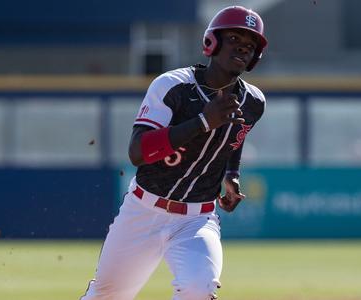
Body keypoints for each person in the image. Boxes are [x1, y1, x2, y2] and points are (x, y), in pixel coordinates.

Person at [81, 6, 268, 300]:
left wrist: (232, 175)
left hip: (197, 219)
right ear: (212, 43)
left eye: (250, 45)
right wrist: (203, 122)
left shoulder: (253, 102)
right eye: (234, 38)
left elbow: (235, 139)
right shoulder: (173, 86)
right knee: (107, 296)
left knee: (198, 289)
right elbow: (138, 152)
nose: (243, 47)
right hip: (143, 211)